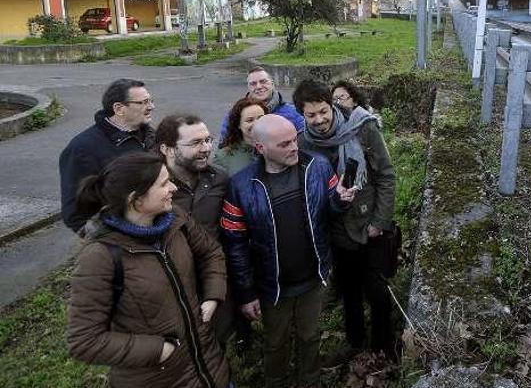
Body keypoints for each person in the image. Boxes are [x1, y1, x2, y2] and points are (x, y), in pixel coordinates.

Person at [67, 152, 230, 387]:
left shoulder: (175, 219)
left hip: (210, 368)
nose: (174, 188)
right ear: (136, 200)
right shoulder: (100, 257)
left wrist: (213, 294)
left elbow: (210, 253)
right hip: (159, 377)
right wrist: (159, 349)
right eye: (164, 183)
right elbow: (84, 340)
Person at [221, 114, 356, 388]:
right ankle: (276, 382)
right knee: (275, 342)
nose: (294, 147)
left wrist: (340, 201)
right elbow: (235, 244)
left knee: (311, 336)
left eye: (294, 139)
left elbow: (328, 210)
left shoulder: (317, 166)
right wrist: (246, 293)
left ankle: (310, 380)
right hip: (273, 286)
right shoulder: (241, 187)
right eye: (284, 144)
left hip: (313, 277)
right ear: (261, 148)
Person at [294, 80, 397, 362]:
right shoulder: (303, 143)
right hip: (334, 231)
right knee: (349, 291)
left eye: (323, 111)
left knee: (376, 291)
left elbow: (386, 176)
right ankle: (355, 341)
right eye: (311, 115)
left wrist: (380, 221)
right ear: (301, 115)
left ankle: (383, 345)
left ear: (332, 104)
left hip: (368, 227)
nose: (319, 120)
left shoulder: (362, 128)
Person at [156, 113, 250, 347]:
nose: (206, 148)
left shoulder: (219, 179)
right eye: (195, 143)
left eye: (208, 140)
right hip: (172, 284)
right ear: (167, 149)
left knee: (220, 337)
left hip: (216, 276)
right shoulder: (151, 187)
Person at [59, 78, 156, 235]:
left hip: (153, 226)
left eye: (151, 101)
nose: (151, 106)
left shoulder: (151, 136)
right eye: (143, 102)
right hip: (118, 238)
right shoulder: (82, 149)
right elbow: (75, 213)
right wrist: (109, 239)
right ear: (119, 108)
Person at [218, 66, 304, 144]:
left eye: (263, 82)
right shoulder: (236, 114)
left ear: (272, 84)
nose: (258, 86)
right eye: (253, 84)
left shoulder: (294, 113)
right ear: (248, 87)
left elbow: (304, 143)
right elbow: (224, 144)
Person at [213, 97, 269, 177]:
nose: (256, 123)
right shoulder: (223, 157)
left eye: (261, 118)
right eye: (250, 120)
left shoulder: (278, 148)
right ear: (238, 124)